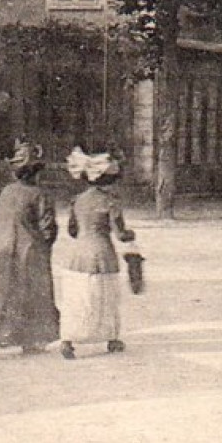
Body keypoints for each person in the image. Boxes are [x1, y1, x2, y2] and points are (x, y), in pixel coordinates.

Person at [0, 141, 59, 355]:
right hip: (30, 251)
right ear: (36, 173)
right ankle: (31, 340)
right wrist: (46, 246)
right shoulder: (40, 195)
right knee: (32, 295)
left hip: (0, 248)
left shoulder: (3, 193)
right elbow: (48, 229)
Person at [58, 147, 137, 360]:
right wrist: (130, 234)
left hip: (78, 255)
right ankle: (111, 338)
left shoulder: (77, 200)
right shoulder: (111, 201)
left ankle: (68, 340)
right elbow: (120, 234)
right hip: (103, 253)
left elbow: (72, 231)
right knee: (104, 298)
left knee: (78, 297)